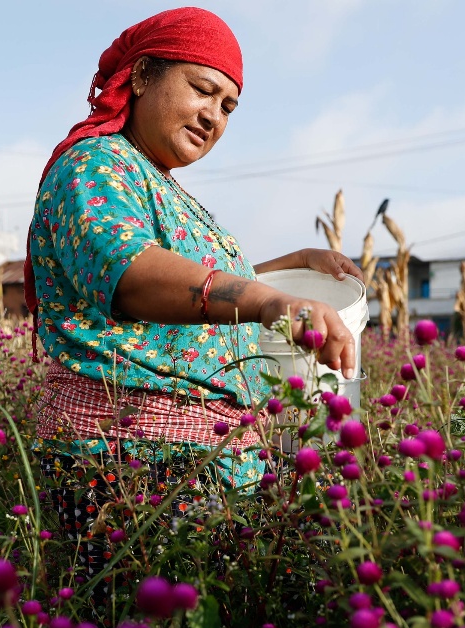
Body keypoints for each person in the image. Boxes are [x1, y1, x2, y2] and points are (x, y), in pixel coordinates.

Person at [24, 8, 361, 563]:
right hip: (133, 460)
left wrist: (293, 266)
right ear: (141, 75)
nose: (213, 116)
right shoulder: (94, 164)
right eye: (202, 90)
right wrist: (267, 301)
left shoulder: (159, 184)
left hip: (204, 457)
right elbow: (129, 271)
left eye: (228, 107)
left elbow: (195, 287)